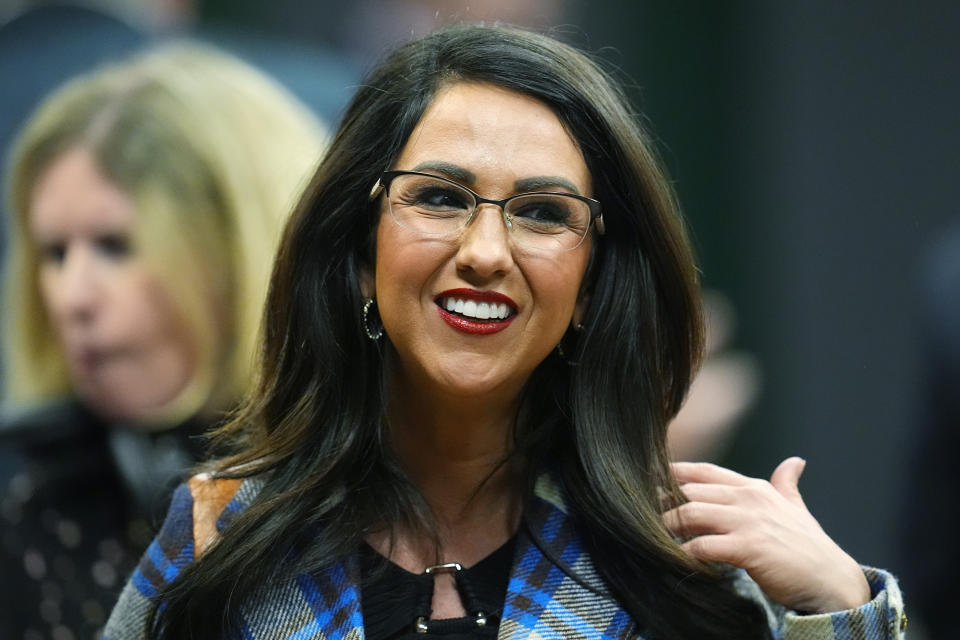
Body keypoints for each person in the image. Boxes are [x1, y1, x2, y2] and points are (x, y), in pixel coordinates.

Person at [104, 24, 905, 640]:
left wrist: (840, 604)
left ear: (593, 287)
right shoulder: (220, 542)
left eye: (543, 213)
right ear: (358, 255)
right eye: (441, 198)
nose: (485, 253)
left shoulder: (684, 580)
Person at [0, 43, 326, 638]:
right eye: (54, 253)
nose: (71, 298)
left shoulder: (372, 481)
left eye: (114, 246)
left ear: (237, 252)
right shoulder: (20, 499)